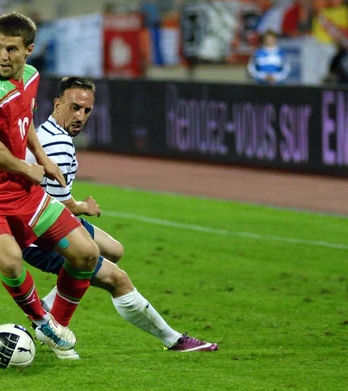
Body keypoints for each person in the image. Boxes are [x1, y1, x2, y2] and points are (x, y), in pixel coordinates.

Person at [24, 77, 219, 359]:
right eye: (75, 107)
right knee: (117, 279)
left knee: (115, 250)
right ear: (58, 104)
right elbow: (54, 206)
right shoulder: (56, 145)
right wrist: (81, 206)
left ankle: (45, 308)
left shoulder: (52, 134)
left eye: (87, 111)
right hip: (40, 235)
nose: (80, 116)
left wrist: (77, 207)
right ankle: (173, 339)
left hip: (47, 219)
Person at [0, 13, 100, 352]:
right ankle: (42, 322)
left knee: (86, 254)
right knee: (10, 261)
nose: (2, 56)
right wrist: (27, 167)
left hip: (21, 192)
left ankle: (57, 325)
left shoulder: (31, 78)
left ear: (29, 50)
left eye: (11, 49)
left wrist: (43, 159)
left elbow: (25, 122)